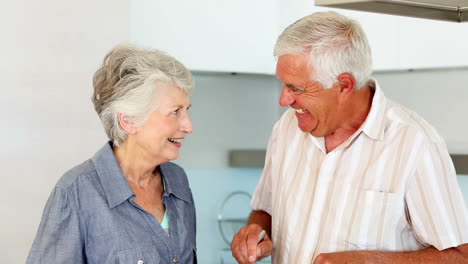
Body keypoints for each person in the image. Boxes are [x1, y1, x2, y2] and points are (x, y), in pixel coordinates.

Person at [231, 11, 468, 264]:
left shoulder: (415, 144)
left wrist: (373, 261)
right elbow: (264, 209)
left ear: (344, 85)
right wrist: (255, 232)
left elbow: (459, 255)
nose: (284, 100)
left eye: (296, 88)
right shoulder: (286, 129)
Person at [26, 44, 197, 263]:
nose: (188, 126)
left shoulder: (177, 180)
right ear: (128, 121)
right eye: (175, 112)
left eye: (186, 110)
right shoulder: (75, 192)